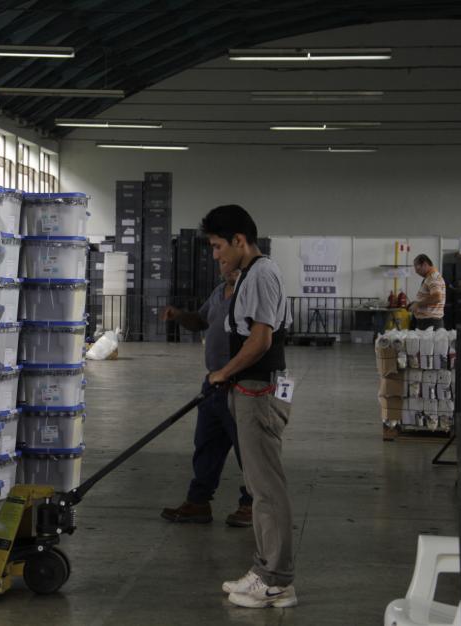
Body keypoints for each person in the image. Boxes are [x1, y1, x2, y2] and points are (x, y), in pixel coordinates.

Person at [202, 204, 297, 609]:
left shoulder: (261, 274)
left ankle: (276, 579)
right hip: (250, 388)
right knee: (259, 488)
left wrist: (224, 372)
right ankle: (264, 570)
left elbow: (260, 340)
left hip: (258, 390)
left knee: (266, 488)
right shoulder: (248, 276)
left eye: (218, 245)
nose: (215, 254)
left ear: (240, 240)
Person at [159, 262, 254, 527]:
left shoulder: (252, 294)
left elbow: (262, 339)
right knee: (206, 445)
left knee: (249, 450)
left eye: (235, 265)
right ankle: (198, 502)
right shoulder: (218, 292)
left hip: (241, 384)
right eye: (224, 264)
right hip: (213, 384)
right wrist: (178, 315)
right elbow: (200, 321)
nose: (229, 269)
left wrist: (231, 373)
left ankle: (253, 503)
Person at [409, 254, 446, 330]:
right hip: (428, 322)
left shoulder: (433, 278)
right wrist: (415, 303)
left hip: (430, 323)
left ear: (425, 264)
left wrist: (418, 304)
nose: (416, 271)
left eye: (417, 268)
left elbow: (437, 297)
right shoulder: (429, 277)